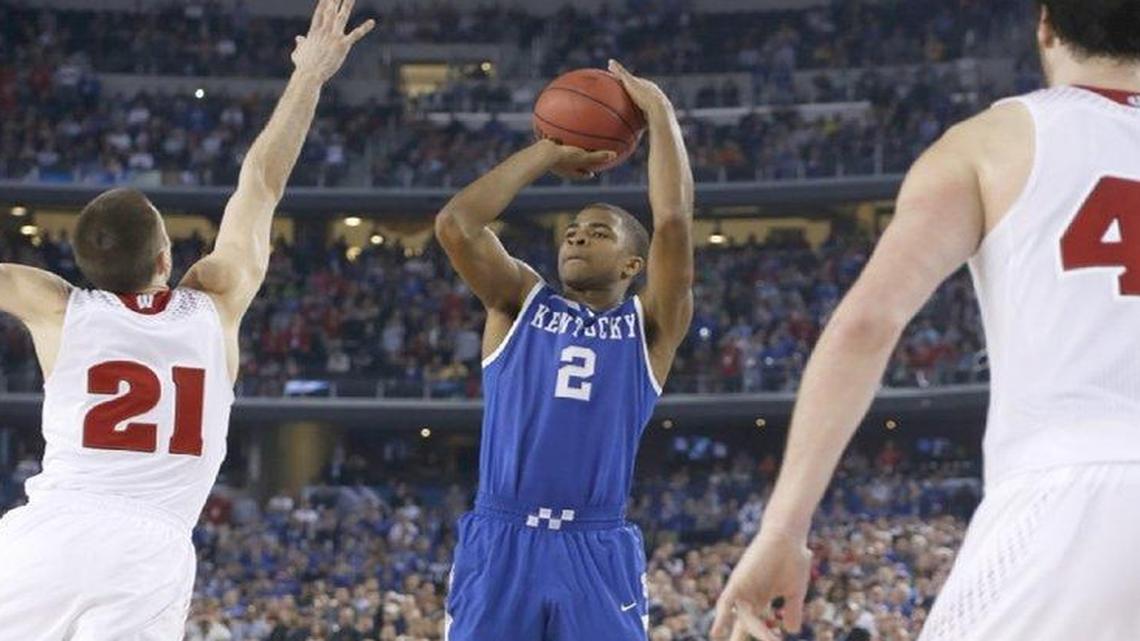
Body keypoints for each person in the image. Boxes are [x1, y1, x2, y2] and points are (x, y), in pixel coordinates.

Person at [713, 2, 1140, 640]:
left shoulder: (990, 142)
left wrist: (782, 531)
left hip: (1073, 489)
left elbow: (866, 324)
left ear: (1045, 25)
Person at [0, 1, 373, 638]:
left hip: (45, 534)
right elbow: (260, 183)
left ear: (84, 265)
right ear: (168, 256)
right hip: (145, 549)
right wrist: (308, 76)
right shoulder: (215, 304)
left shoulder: (57, 308)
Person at [434, 59, 694, 641]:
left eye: (599, 232)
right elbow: (457, 225)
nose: (578, 235)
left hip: (595, 544)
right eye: (574, 229)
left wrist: (660, 114)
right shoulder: (518, 299)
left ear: (634, 264)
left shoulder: (650, 326)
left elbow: (674, 224)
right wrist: (550, 150)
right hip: (503, 536)